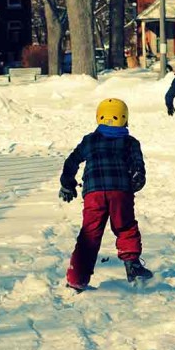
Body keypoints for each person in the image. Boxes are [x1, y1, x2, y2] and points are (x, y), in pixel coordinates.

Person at [59, 98, 152, 292]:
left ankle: (77, 278)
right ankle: (132, 265)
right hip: (120, 191)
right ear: (125, 119)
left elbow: (72, 161)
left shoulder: (89, 140)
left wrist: (67, 184)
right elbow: (138, 166)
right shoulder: (130, 142)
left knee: (90, 234)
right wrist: (136, 179)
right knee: (125, 226)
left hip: (93, 192)